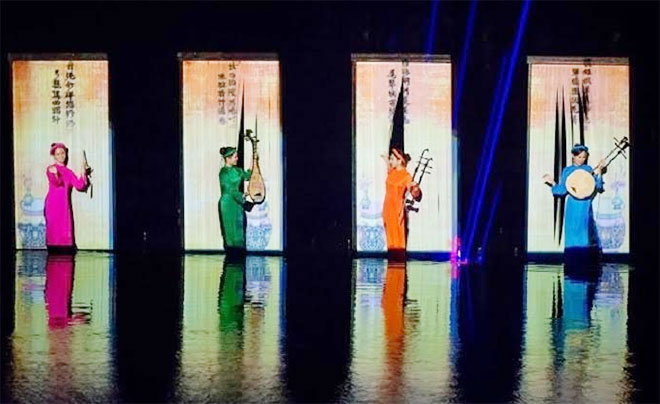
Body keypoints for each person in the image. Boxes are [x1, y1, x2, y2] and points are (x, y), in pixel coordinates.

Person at [543, 144, 604, 254]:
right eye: (579, 157)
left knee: (584, 236)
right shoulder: (567, 171)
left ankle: (584, 261)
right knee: (571, 235)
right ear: (573, 156)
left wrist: (599, 173)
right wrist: (552, 183)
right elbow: (561, 191)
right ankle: (571, 260)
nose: (581, 160)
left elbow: (599, 187)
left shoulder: (588, 169)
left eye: (584, 157)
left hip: (585, 206)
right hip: (572, 206)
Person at [44, 142, 88, 251]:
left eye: (62, 153)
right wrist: (55, 174)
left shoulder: (68, 172)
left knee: (65, 229)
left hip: (64, 205)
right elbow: (57, 182)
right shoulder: (51, 168)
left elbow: (80, 185)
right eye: (57, 154)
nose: (61, 156)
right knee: (54, 231)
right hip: (53, 204)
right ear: (54, 156)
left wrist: (83, 172)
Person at [381, 147, 418, 254]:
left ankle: (399, 261)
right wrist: (386, 159)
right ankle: (391, 260)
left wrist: (415, 188)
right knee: (390, 239)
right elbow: (389, 169)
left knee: (398, 239)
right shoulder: (392, 172)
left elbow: (414, 193)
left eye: (392, 159)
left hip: (397, 210)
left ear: (400, 161)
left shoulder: (406, 176)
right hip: (387, 209)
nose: (390, 161)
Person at [218, 146, 252, 252]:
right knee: (229, 230)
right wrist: (243, 196)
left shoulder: (238, 170)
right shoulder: (223, 172)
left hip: (237, 202)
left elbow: (248, 176)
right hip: (227, 203)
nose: (237, 158)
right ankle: (231, 255)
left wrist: (253, 162)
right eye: (235, 157)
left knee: (239, 227)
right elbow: (230, 190)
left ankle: (239, 255)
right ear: (228, 158)